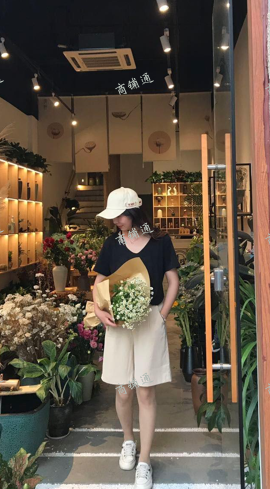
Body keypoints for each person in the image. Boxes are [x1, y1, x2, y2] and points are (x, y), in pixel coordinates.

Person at [93, 187, 179, 489]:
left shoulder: (160, 241)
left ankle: (144, 460)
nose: (115, 221)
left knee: (145, 391)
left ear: (133, 212)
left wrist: (162, 315)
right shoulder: (112, 243)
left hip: (150, 322)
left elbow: (173, 281)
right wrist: (99, 310)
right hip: (118, 324)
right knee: (123, 390)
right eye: (113, 217)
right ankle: (128, 440)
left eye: (120, 215)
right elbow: (99, 283)